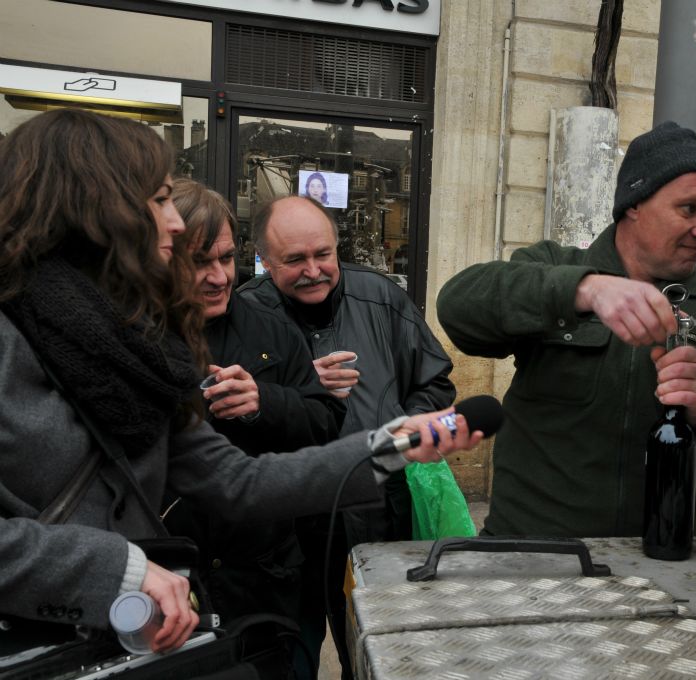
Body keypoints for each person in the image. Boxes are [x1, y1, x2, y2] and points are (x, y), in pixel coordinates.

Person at [0, 109, 481, 664]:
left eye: (225, 258)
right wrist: (119, 568)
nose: (175, 224)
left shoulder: (138, 346)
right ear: (94, 209)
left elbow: (239, 481)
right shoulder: (15, 337)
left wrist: (392, 444)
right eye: (158, 200)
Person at [436, 121, 696, 538]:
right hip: (535, 552)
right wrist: (582, 290)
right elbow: (458, 305)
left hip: (666, 561)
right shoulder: (554, 266)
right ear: (634, 203)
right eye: (690, 209)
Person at [237, 195, 456, 678]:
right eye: (294, 260)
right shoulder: (243, 315)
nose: (313, 270)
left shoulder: (380, 297)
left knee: (380, 656)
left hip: (379, 513)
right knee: (287, 657)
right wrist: (297, 389)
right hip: (288, 529)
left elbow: (435, 381)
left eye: (323, 254)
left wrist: (402, 428)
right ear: (265, 261)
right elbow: (230, 425)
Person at [162, 178, 347, 632]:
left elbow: (324, 421)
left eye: (226, 259)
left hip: (263, 579)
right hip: (168, 578)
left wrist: (265, 401)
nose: (220, 277)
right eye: (199, 263)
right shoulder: (129, 334)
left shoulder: (271, 331)